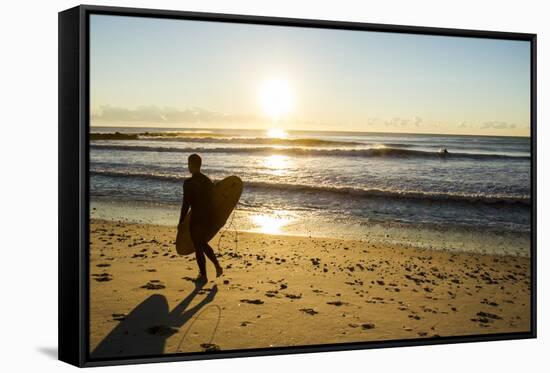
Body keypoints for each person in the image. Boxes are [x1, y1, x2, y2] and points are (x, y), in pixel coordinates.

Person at [179, 154, 223, 283]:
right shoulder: (207, 180)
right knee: (202, 243)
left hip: (196, 219)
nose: (188, 167)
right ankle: (216, 266)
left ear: (192, 165)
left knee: (199, 246)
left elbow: (186, 204)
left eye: (189, 164)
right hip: (208, 218)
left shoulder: (188, 183)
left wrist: (181, 221)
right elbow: (214, 200)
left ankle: (203, 275)